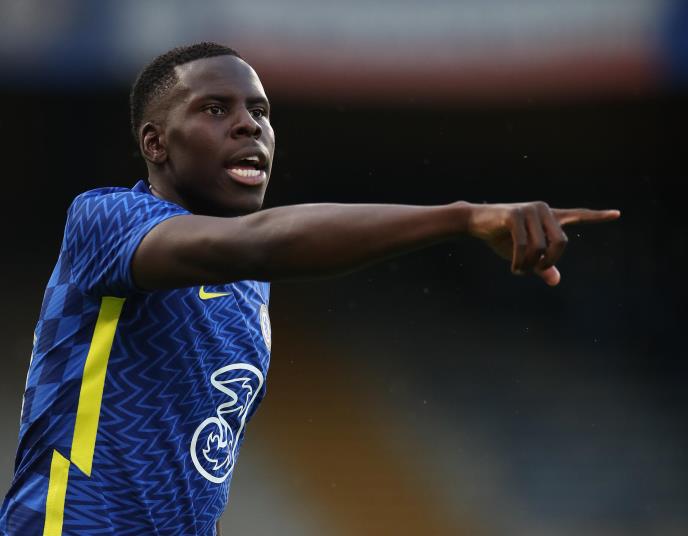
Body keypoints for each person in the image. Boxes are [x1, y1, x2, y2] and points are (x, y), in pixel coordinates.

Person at [0, 42, 620, 536]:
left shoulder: (251, 289)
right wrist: (462, 218)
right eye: (215, 109)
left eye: (261, 112)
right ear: (155, 143)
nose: (249, 126)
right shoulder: (105, 220)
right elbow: (260, 241)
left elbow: (192, 474)